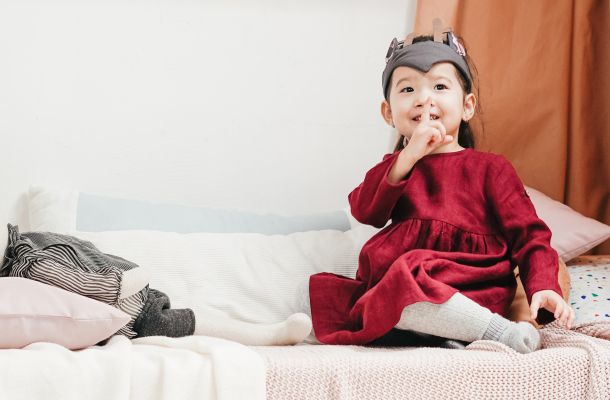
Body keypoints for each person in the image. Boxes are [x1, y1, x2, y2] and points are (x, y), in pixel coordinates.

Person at [308, 19, 574, 353]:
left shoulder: (490, 168)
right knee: (338, 296)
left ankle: (498, 332)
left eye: (439, 87)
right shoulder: (396, 168)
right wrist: (408, 156)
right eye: (408, 90)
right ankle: (441, 335)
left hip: (470, 286)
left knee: (404, 279)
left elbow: (529, 236)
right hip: (402, 286)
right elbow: (365, 211)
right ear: (388, 113)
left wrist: (543, 286)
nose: (423, 99)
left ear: (467, 106)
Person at [1, 224, 312, 346]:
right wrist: (122, 281)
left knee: (191, 314)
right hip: (131, 313)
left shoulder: (26, 239)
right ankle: (269, 335)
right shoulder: (28, 263)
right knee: (187, 322)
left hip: (134, 295)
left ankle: (268, 331)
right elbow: (89, 284)